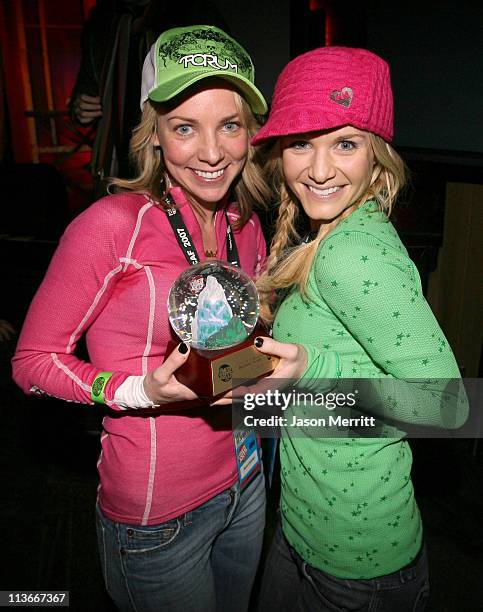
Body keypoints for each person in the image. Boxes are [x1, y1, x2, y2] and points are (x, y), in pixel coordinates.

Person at [13, 25, 270, 612]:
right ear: (153, 134)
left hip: (247, 484)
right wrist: (136, 389)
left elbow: (229, 357)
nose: (211, 152)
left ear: (251, 134)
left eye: (229, 125)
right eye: (185, 127)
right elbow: (31, 364)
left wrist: (266, 370)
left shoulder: (245, 226)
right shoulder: (111, 225)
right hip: (158, 519)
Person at [245, 47, 467, 611]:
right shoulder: (332, 232)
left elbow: (448, 407)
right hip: (303, 529)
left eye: (345, 143)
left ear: (378, 157)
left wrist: (310, 370)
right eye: (301, 143)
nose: (320, 170)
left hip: (355, 562)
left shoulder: (353, 254)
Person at [70, 0, 229, 198]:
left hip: (171, 162)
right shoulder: (103, 21)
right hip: (116, 161)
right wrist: (79, 108)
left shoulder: (192, 11)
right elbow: (85, 88)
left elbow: (225, 83)